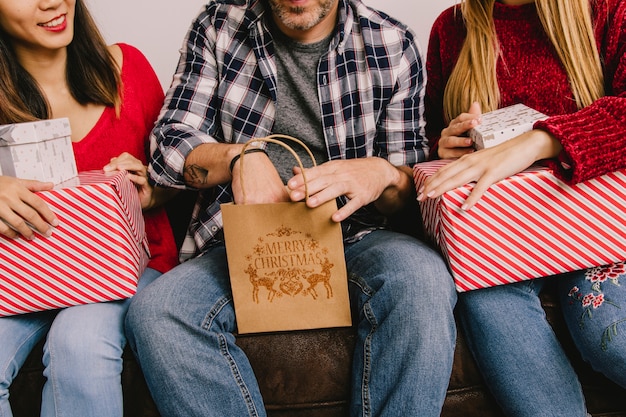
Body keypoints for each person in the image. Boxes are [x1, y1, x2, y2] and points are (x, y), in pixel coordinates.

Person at [124, 0, 458, 416]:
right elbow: (168, 146)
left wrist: (383, 174)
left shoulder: (390, 41)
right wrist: (238, 158)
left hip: (356, 236)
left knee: (423, 280)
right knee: (158, 313)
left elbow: (409, 190)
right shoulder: (218, 26)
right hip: (239, 244)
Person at [419, 0, 626, 416]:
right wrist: (445, 145)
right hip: (496, 245)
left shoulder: (607, 11)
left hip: (597, 229)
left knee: (607, 336)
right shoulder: (451, 28)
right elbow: (426, 146)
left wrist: (540, 140)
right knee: (488, 306)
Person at [0, 0, 179, 416]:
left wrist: (152, 186)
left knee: (79, 343)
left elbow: (180, 178)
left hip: (125, 270)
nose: (51, 2)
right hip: (28, 279)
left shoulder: (127, 67)